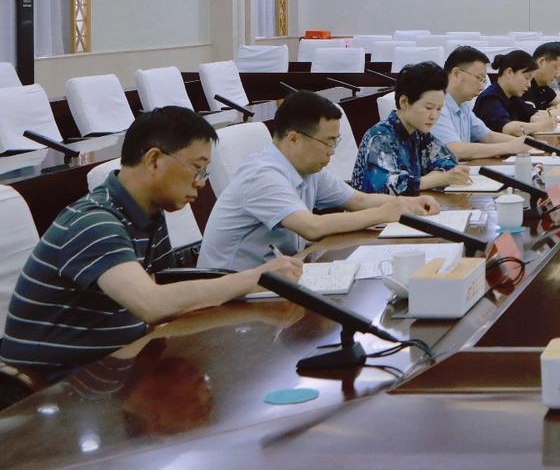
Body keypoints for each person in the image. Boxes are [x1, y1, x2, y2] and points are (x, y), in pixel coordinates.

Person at [0, 107, 302, 385]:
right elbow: (152, 303)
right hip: (50, 388)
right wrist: (257, 277)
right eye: (197, 168)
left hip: (117, 365)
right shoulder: (93, 222)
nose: (201, 183)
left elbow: (164, 293)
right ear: (154, 160)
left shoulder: (150, 215)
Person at [198, 91, 441, 273]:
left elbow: (358, 200)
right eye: (328, 142)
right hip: (232, 290)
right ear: (293, 139)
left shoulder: (308, 169)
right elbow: (312, 227)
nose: (332, 151)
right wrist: (383, 213)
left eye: (336, 141)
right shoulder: (263, 175)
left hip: (278, 275)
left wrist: (408, 203)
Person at [351, 62, 470, 195]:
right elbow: (387, 186)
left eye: (439, 109)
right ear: (404, 102)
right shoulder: (379, 137)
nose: (434, 116)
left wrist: (437, 177)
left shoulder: (419, 134)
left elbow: (448, 160)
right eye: (429, 108)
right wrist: (437, 179)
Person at [432, 46, 535, 160]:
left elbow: (488, 136)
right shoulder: (436, 106)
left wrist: (529, 143)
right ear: (456, 74)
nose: (482, 87)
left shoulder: (463, 106)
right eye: (479, 78)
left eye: (484, 80)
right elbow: (455, 150)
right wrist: (509, 147)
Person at [474, 49, 559, 136]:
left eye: (530, 80)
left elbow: (533, 113)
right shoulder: (489, 99)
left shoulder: (512, 98)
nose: (529, 85)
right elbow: (509, 128)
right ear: (509, 73)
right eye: (527, 78)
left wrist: (540, 117)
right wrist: (541, 126)